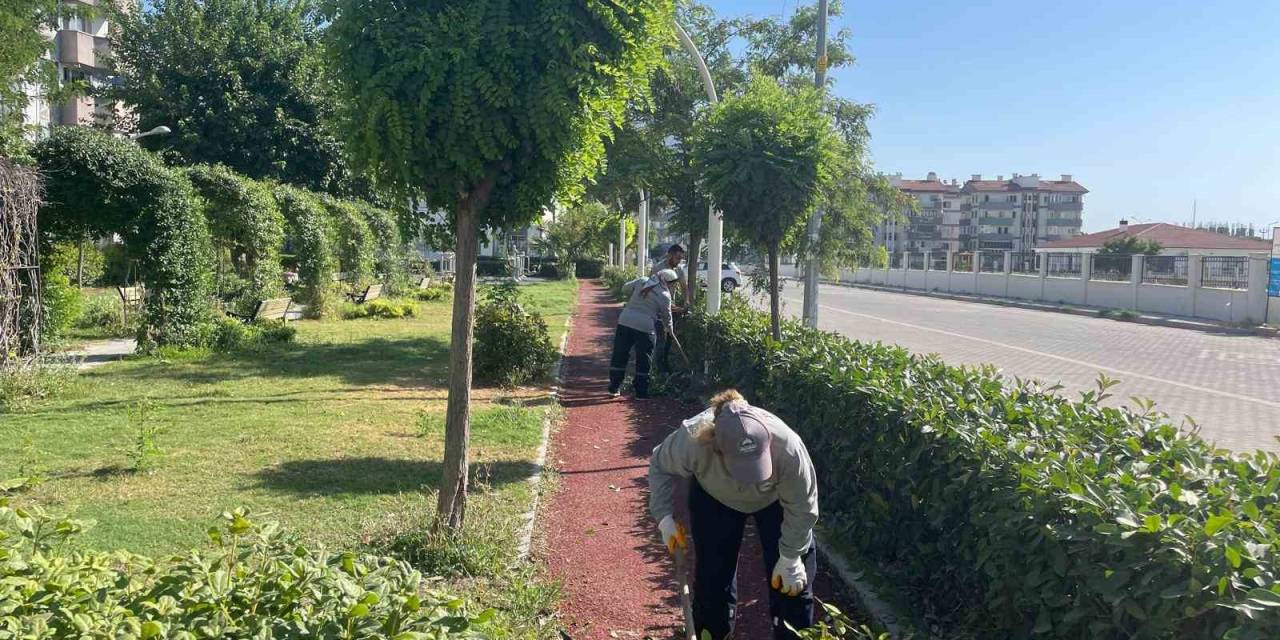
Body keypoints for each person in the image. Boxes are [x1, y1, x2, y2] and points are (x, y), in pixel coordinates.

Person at [648, 390, 819, 639]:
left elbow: (803, 506)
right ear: (716, 447)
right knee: (713, 581)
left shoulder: (789, 447)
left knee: (793, 586)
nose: (749, 482)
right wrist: (664, 519)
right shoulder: (693, 439)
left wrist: (791, 557)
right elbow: (659, 464)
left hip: (775, 500)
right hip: (715, 496)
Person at [609, 268, 678, 398]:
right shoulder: (665, 295)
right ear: (666, 282)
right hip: (645, 327)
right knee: (644, 359)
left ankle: (614, 388)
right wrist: (670, 330)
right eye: (672, 283)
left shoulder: (642, 281)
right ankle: (641, 392)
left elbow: (625, 289)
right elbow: (667, 317)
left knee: (620, 354)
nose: (672, 286)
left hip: (625, 321)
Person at [650, 244, 686, 372]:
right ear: (669, 255)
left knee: (669, 339)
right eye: (677, 258)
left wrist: (686, 302)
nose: (679, 261)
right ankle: (659, 368)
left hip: (672, 308)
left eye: (681, 259)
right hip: (658, 309)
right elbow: (651, 290)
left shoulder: (679, 270)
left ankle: (664, 363)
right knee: (661, 339)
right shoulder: (657, 269)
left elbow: (683, 286)